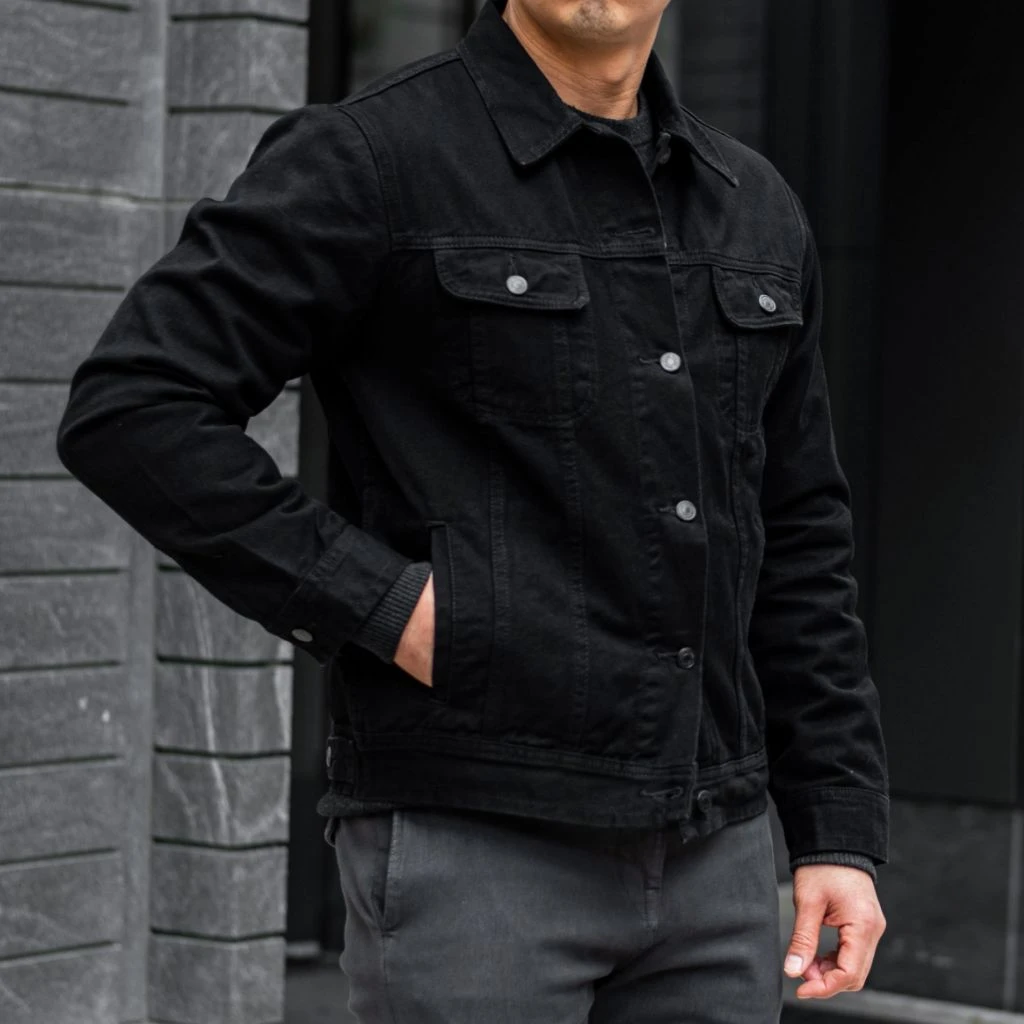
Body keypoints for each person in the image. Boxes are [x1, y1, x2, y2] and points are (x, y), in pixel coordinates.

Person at [55, 0, 889, 1019]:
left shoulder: (752, 207)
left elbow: (798, 535)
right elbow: (135, 407)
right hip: (475, 849)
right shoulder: (372, 158)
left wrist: (836, 826)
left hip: (715, 862)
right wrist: (388, 608)